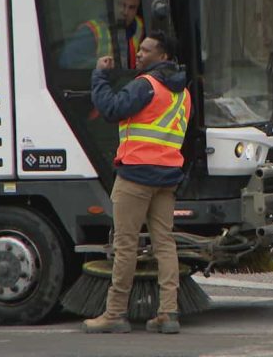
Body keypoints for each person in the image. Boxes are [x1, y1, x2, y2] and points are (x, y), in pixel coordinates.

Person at [82, 30, 191, 334]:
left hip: (136, 176)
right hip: (167, 177)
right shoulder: (183, 92)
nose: (139, 54)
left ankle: (115, 313)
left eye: (146, 50)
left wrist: (100, 76)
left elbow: (111, 109)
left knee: (126, 246)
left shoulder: (146, 85)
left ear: (163, 57)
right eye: (140, 49)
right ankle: (168, 313)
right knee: (165, 244)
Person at [60, 0, 145, 69]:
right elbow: (67, 62)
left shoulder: (140, 26)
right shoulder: (91, 30)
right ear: (112, 4)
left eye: (132, 7)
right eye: (121, 5)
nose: (125, 12)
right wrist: (97, 65)